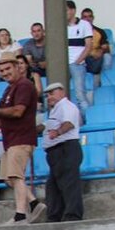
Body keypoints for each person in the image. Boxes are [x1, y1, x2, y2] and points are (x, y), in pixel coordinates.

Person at [0, 52, 45, 224]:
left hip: (21, 138)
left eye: (8, 68)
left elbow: (17, 111)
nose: (5, 73)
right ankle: (34, 203)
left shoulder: (24, 85)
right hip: (11, 140)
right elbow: (0, 113)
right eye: (2, 70)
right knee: (8, 177)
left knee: (16, 176)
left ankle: (20, 215)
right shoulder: (10, 88)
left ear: (17, 66)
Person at [41, 81, 84, 222]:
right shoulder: (56, 109)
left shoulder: (67, 106)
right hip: (56, 151)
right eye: (47, 95)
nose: (49, 97)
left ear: (62, 92)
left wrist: (57, 132)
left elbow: (69, 123)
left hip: (65, 148)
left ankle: (72, 215)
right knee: (53, 185)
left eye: (52, 93)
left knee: (69, 183)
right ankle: (55, 215)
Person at [66, 0, 93, 116]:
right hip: (63, 64)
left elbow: (89, 46)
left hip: (77, 64)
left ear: (73, 10)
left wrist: (78, 61)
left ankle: (87, 120)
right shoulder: (60, 27)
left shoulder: (84, 25)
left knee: (80, 95)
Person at [81, 8, 111, 77]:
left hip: (97, 59)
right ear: (81, 19)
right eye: (85, 17)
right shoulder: (77, 33)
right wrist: (91, 53)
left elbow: (106, 47)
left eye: (90, 16)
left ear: (93, 18)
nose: (88, 19)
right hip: (84, 60)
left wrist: (101, 50)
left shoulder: (100, 32)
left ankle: (104, 79)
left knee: (107, 57)